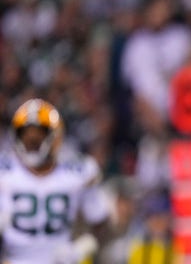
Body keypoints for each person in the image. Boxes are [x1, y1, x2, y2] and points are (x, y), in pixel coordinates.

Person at [0, 98, 111, 264]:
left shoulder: (78, 173)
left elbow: (101, 224)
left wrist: (82, 248)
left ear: (55, 137)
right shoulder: (4, 172)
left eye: (37, 138)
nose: (32, 144)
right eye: (27, 138)